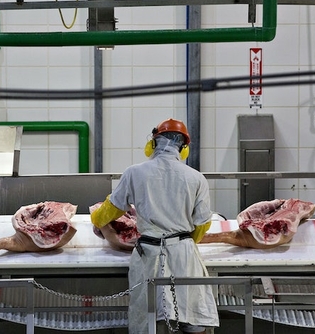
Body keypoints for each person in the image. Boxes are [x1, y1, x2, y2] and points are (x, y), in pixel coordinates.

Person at [91, 118, 219, 333]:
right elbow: (202, 224)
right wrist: (186, 243)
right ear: (183, 147)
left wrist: (96, 221)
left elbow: (111, 209)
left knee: (147, 319)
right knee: (193, 319)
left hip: (148, 253)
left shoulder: (134, 172)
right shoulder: (196, 178)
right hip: (183, 254)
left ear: (153, 142)